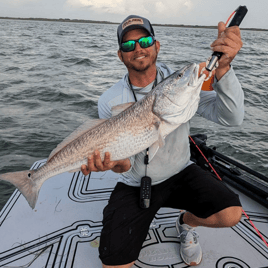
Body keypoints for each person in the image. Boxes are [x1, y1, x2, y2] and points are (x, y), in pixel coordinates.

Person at [81, 15, 244, 268]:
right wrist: (111, 164)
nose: (138, 49)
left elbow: (231, 117)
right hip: (135, 183)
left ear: (157, 46)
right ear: (120, 55)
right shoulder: (110, 99)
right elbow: (123, 164)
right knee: (113, 264)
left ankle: (187, 221)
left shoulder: (180, 83)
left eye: (145, 40)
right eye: (128, 45)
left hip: (180, 171)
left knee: (231, 214)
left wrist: (223, 68)